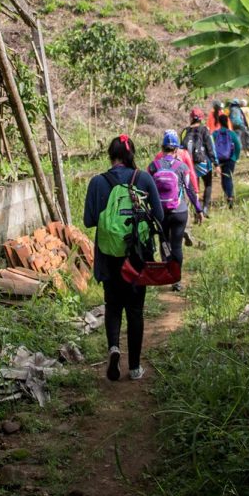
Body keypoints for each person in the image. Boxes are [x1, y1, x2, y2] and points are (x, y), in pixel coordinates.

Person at [83, 134, 163, 382]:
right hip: (137, 257)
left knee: (113, 306)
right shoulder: (144, 179)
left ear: (110, 155)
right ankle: (135, 367)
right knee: (136, 310)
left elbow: (88, 221)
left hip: (108, 257)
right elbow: (159, 215)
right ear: (131, 155)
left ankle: (114, 348)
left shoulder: (97, 182)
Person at [148, 130, 203, 292]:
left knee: (164, 242)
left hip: (160, 213)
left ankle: (167, 274)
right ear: (176, 150)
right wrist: (198, 209)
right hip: (179, 211)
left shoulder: (153, 166)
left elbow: (147, 189)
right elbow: (190, 190)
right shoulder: (182, 167)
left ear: (162, 148)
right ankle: (176, 280)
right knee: (177, 245)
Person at [181, 107, 217, 215]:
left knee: (194, 188)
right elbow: (210, 147)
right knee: (208, 184)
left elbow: (181, 148)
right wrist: (216, 163)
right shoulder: (205, 130)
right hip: (203, 163)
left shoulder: (185, 131)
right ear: (201, 118)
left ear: (191, 118)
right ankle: (205, 207)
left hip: (189, 163)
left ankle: (196, 210)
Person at [214, 113, 242, 209]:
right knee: (228, 177)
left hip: (219, 159)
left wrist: (214, 160)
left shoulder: (215, 133)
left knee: (223, 178)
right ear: (227, 121)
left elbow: (211, 146)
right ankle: (229, 197)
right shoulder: (232, 134)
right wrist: (235, 157)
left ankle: (227, 195)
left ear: (219, 122)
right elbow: (238, 146)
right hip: (230, 159)